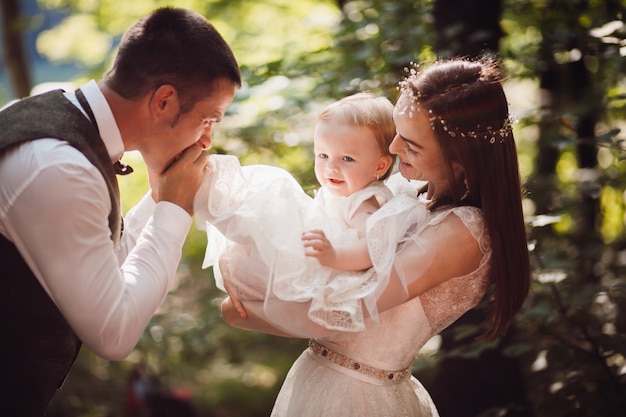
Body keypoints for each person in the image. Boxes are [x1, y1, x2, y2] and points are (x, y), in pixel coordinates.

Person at [220, 57, 530, 416]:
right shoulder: (406, 195)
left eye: (411, 145)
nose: (394, 148)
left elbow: (347, 311)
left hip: (359, 397)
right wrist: (248, 253)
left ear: (459, 160)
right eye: (397, 131)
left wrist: (237, 310)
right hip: (324, 378)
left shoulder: (463, 231)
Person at [0, 7, 241, 416]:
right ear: (164, 100)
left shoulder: (62, 120)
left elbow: (107, 262)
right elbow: (113, 333)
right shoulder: (60, 167)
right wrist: (174, 209)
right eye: (208, 119)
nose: (206, 140)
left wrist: (162, 196)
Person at [197, 93, 408, 331]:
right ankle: (211, 200)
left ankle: (205, 194)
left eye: (347, 159)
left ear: (380, 166)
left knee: (277, 186)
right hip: (302, 265)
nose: (331, 167)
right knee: (267, 213)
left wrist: (334, 255)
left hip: (320, 267)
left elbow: (372, 248)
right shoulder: (343, 194)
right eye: (323, 155)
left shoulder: (364, 201)